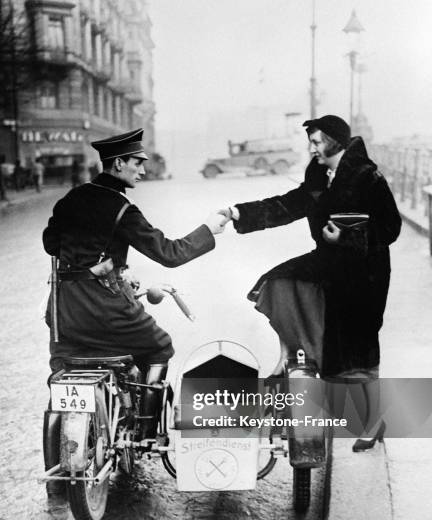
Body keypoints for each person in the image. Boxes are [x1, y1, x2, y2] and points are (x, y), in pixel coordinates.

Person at [219, 115, 401, 449]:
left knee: (359, 345)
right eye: (311, 142)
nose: (312, 148)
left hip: (365, 272)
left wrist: (345, 238)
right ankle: (295, 352)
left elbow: (390, 227)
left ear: (335, 140)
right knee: (278, 282)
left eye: (317, 142)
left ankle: (373, 421)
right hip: (330, 264)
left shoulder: (367, 177)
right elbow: (288, 205)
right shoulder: (318, 175)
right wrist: (238, 213)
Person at [43, 127, 227, 441]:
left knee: (69, 360)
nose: (143, 169)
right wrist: (208, 229)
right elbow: (169, 253)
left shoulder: (72, 198)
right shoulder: (122, 209)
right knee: (160, 346)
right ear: (118, 164)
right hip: (105, 310)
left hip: (65, 314)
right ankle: (145, 431)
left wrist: (108, 265)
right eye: (137, 162)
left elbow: (51, 244)